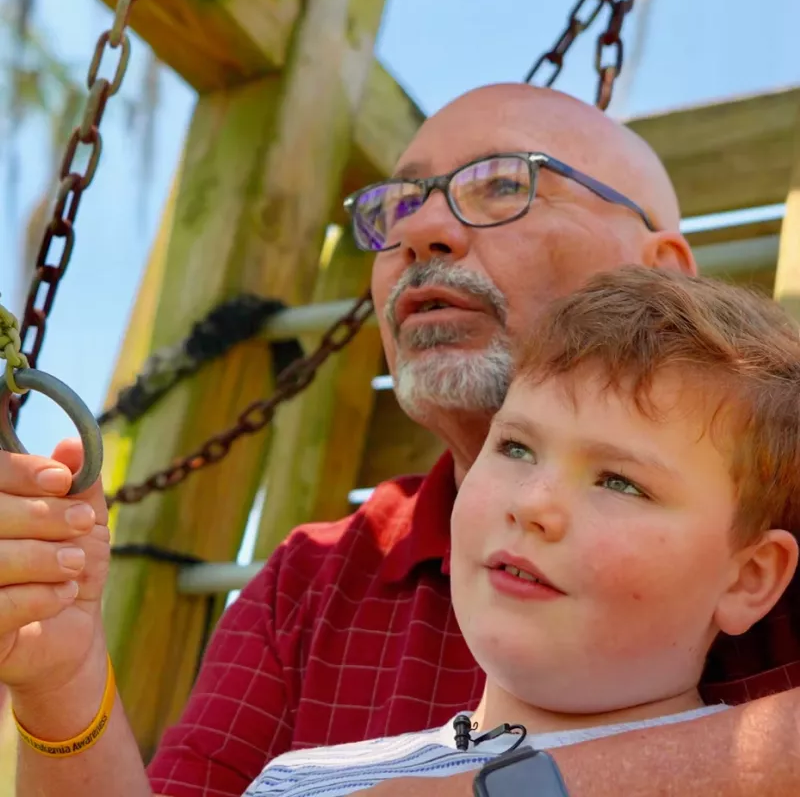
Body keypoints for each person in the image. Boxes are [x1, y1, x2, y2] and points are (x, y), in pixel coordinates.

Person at [2, 83, 799, 797]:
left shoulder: (775, 493)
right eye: (400, 202)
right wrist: (61, 685)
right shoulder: (309, 586)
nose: (420, 230)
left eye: (503, 185)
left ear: (661, 268)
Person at [241, 265, 800, 796]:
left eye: (619, 482)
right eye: (515, 447)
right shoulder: (296, 783)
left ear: (747, 578)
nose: (533, 504)